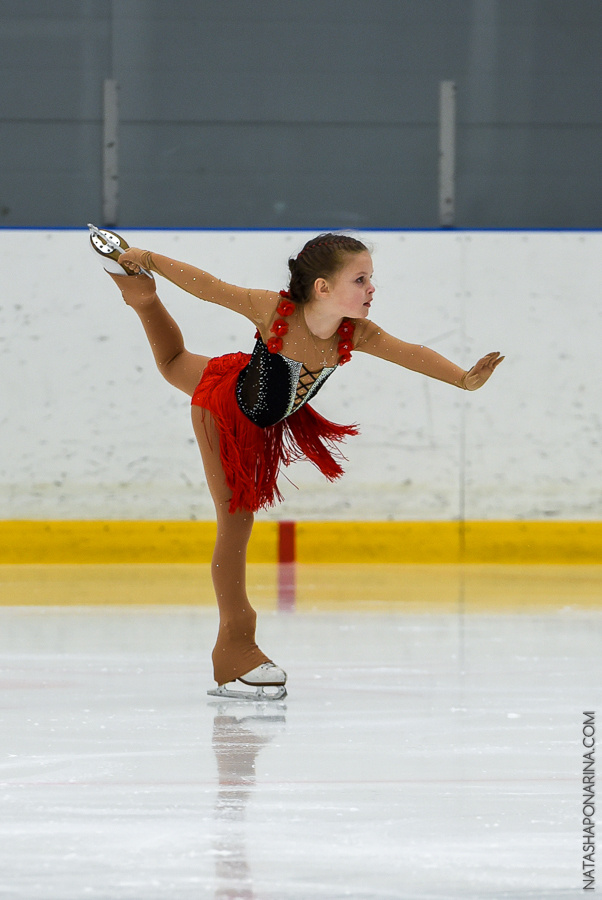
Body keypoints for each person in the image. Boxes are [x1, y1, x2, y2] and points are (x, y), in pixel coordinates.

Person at [90, 228, 503, 700]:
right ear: (323, 288)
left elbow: (411, 353)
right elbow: (207, 286)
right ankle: (234, 649)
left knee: (174, 361)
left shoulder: (357, 333)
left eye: (371, 279)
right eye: (361, 279)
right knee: (235, 521)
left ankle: (139, 295)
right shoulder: (274, 311)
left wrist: (463, 380)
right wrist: (145, 255)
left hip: (253, 401)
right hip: (225, 412)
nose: (372, 290)